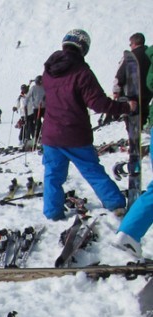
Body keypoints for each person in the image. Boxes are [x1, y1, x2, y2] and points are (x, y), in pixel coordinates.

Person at [41, 29, 136, 221]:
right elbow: (98, 104)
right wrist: (126, 107)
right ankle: (114, 203)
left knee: (53, 175)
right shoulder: (82, 72)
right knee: (91, 170)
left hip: (51, 134)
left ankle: (52, 212)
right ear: (83, 47)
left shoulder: (49, 70)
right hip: (74, 134)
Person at [114, 33, 152, 126]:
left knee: (132, 117)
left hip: (132, 93)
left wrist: (116, 90)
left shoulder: (131, 57)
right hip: (148, 92)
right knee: (144, 113)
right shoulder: (150, 55)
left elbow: (121, 74)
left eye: (130, 44)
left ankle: (134, 136)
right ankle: (142, 131)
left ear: (134, 43)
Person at [26, 76, 46, 148]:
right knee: (37, 123)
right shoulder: (33, 88)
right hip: (36, 108)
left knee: (47, 122)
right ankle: (36, 138)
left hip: (44, 107)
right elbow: (27, 96)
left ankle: (45, 136)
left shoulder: (45, 87)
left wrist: (45, 97)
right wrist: (26, 104)